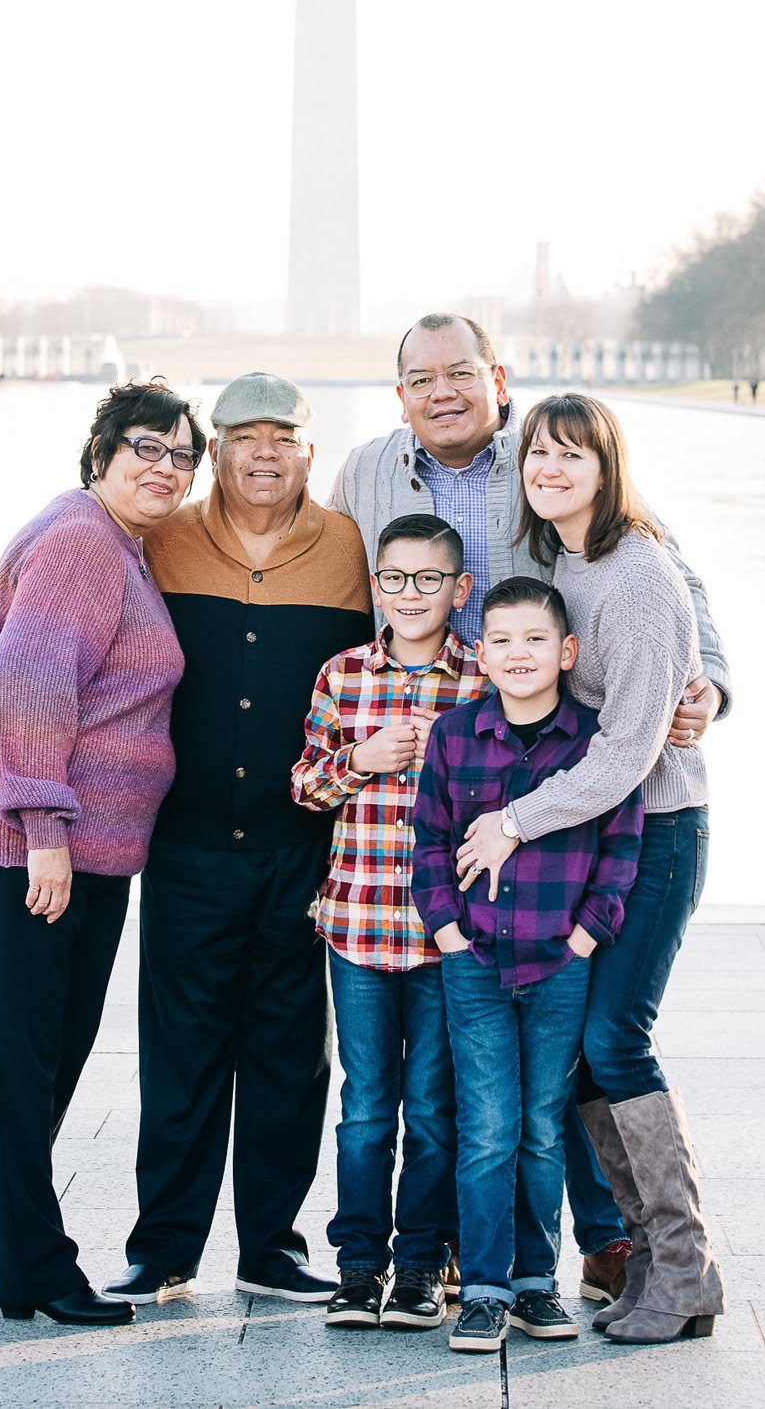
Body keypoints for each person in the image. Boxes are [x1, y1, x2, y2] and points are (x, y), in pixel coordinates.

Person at [328, 311, 734, 1301]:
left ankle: (622, 1246)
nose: (442, 392)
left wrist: (708, 685)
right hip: (467, 770)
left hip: (578, 787)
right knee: (534, 1029)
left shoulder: (562, 461)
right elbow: (326, 583)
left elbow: (681, 595)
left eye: (460, 372)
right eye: (421, 379)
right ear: (400, 395)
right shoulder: (367, 473)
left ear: (496, 378)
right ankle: (512, 1242)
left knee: (585, 1029)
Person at [450, 392, 726, 1344]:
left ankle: (682, 1269)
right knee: (588, 1050)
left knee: (615, 1038)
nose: (550, 468)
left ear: (608, 466)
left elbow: (628, 747)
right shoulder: (571, 560)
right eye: (537, 453)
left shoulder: (639, 569)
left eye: (573, 453)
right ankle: (649, 1263)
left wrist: (512, 823)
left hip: (657, 828)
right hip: (599, 833)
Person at [0, 382, 198, 1328]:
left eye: (182, 455)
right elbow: (28, 680)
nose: (165, 466)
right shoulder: (85, 538)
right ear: (100, 453)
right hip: (27, 848)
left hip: (81, 849)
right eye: (146, 447)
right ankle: (38, 1272)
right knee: (23, 1060)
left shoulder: (111, 543)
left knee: (43, 1059)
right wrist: (43, 825)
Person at [105, 372, 371, 1309]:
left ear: (309, 451)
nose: (264, 453)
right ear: (214, 449)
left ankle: (273, 1247)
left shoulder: (352, 548)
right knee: (179, 1054)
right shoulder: (160, 538)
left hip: (309, 849)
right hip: (184, 845)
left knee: (291, 1057)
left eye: (283, 437)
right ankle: (164, 1247)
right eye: (243, 436)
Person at [413, 577, 643, 1352]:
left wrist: (584, 938)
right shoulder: (454, 734)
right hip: (472, 961)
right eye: (502, 640)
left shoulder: (594, 743)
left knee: (543, 1127)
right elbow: (430, 845)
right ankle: (480, 1287)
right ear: (481, 653)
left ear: (567, 652)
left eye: (536, 639)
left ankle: (533, 1284)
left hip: (558, 963)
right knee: (486, 1126)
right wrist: (446, 933)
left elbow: (621, 850)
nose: (519, 653)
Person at [290, 515, 483, 1332]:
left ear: (459, 589)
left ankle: (419, 1266)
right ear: (376, 586)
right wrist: (358, 760)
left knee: (435, 1107)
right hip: (359, 925)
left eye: (428, 579)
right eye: (395, 579)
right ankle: (358, 1264)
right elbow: (304, 784)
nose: (410, 594)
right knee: (366, 1101)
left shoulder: (482, 679)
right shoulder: (342, 675)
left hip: (447, 937)